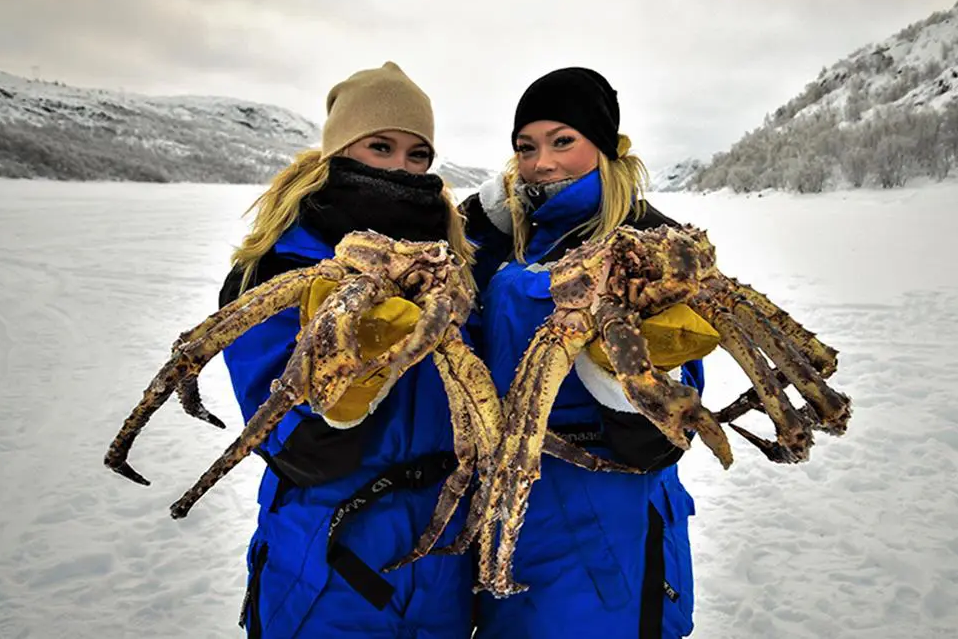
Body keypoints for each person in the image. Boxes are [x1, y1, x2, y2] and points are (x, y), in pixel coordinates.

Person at [218, 61, 476, 638]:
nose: (402, 168)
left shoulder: (453, 264)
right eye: (380, 146)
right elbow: (293, 447)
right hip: (326, 558)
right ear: (337, 151)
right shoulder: (279, 266)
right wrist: (349, 378)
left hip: (439, 563)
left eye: (418, 155)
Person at [460, 67, 712, 639]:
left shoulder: (644, 243)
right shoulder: (525, 241)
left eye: (562, 140)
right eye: (526, 147)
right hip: (513, 521)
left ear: (603, 145)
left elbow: (670, 422)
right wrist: (481, 224)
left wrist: (626, 382)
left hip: (606, 531)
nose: (541, 162)